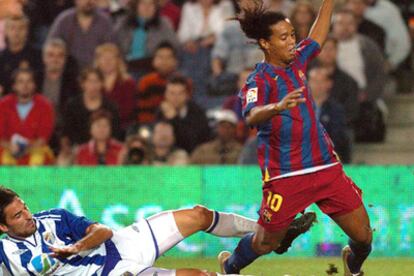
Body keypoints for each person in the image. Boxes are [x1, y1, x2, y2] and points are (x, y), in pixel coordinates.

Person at [218, 1, 372, 276]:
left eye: (292, 35)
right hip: (285, 176)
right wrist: (276, 107)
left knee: (364, 237)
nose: (292, 42)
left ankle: (353, 266)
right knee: (266, 243)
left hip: (325, 167)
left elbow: (316, 37)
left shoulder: (299, 59)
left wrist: (328, 3)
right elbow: (252, 115)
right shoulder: (258, 81)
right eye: (284, 37)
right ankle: (229, 267)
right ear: (265, 43)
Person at [0, 185, 313, 275]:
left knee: (199, 215)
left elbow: (103, 231)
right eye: (17, 215)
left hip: (119, 246)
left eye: (24, 206)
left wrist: (76, 246)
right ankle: (230, 269)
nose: (27, 215)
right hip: (113, 275)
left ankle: (272, 231)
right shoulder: (7, 253)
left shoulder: (52, 217)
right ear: (3, 227)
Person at [0, 68, 55, 166]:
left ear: (34, 85)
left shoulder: (45, 105)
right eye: (21, 81)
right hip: (8, 147)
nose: (25, 85)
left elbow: (43, 138)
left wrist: (25, 149)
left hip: (35, 148)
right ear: (14, 86)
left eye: (29, 81)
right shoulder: (3, 105)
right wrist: (11, 147)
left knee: (39, 159)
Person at [47, 0, 116, 68]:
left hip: (97, 74)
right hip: (69, 73)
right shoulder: (64, 20)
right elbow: (50, 47)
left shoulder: (105, 22)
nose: (89, 1)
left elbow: (112, 50)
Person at [94, 43, 136, 134]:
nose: (107, 61)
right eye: (104, 58)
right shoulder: (93, 83)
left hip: (122, 128)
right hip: (96, 127)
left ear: (118, 61)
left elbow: (128, 111)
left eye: (111, 58)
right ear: (98, 61)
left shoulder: (128, 83)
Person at [0, 15, 42, 96]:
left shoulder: (37, 56)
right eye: (12, 28)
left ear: (27, 31)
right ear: (6, 31)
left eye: (21, 28)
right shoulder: (1, 57)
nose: (17, 32)